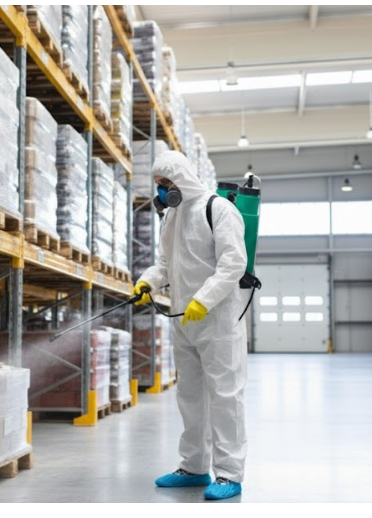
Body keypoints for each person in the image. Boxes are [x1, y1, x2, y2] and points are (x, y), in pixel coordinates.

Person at [132, 150, 249, 501]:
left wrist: (205, 299)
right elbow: (167, 265)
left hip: (217, 320)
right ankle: (193, 466)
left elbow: (234, 263)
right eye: (158, 185)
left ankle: (229, 474)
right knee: (190, 396)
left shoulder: (218, 209)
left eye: (166, 183)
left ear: (181, 178)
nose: (163, 190)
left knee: (225, 396)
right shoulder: (171, 216)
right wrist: (148, 282)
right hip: (183, 320)